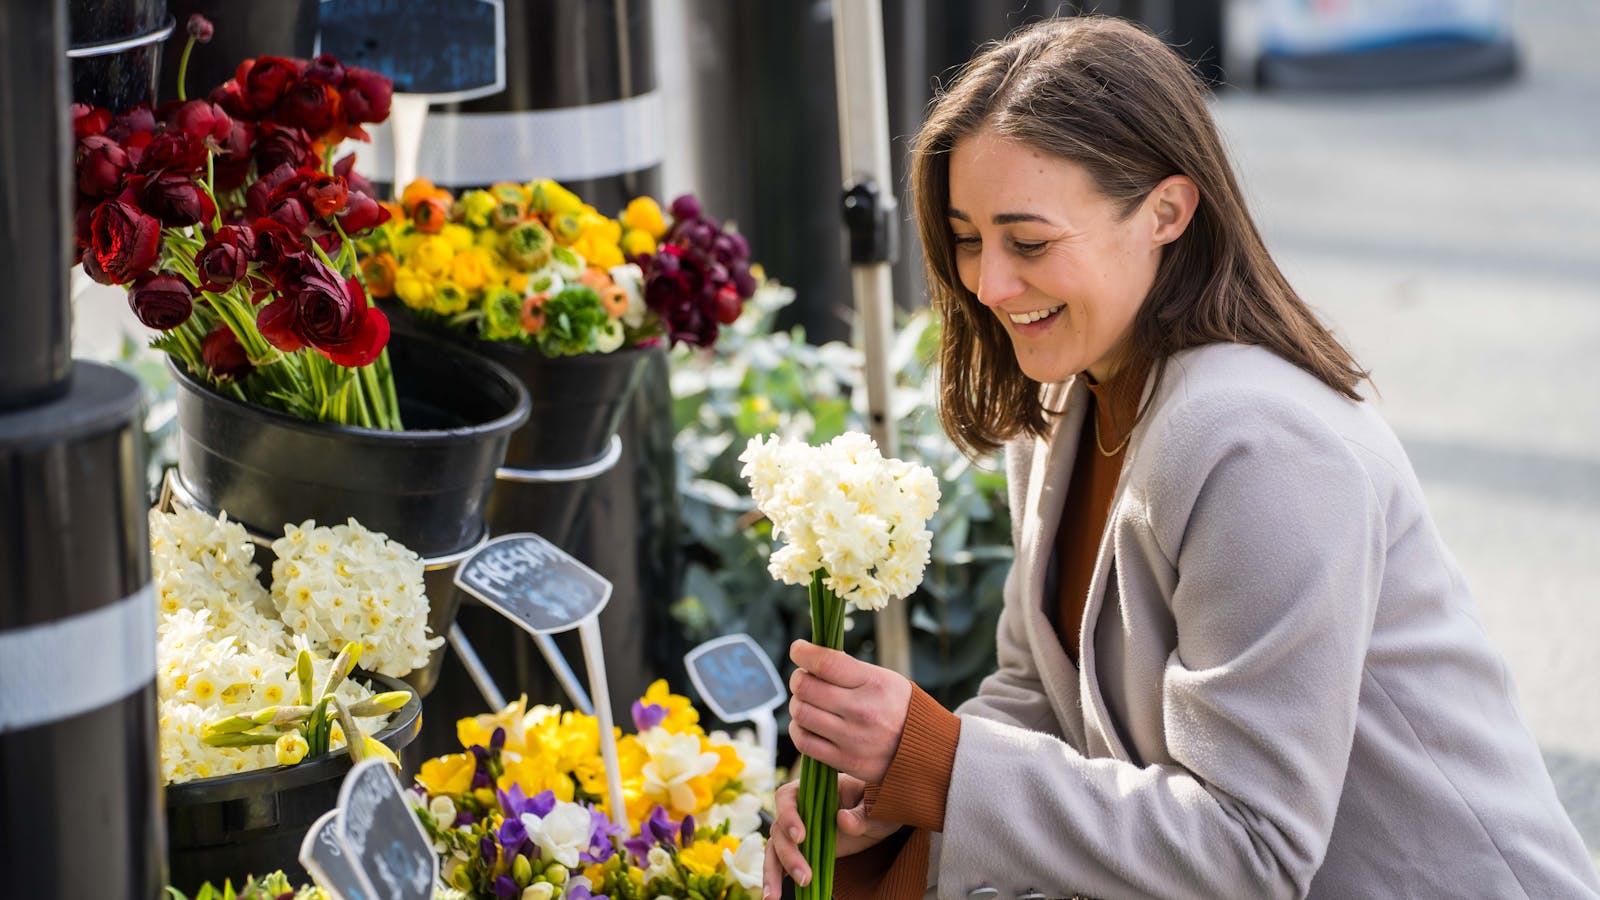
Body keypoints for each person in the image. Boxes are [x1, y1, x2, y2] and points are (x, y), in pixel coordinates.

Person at [762, 15, 1599, 900]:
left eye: (1029, 241)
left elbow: (1250, 850)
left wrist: (942, 766)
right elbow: (1042, 694)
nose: (987, 283)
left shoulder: (1262, 447)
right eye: (969, 237)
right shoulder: (1067, 394)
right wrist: (893, 799)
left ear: (1167, 211)